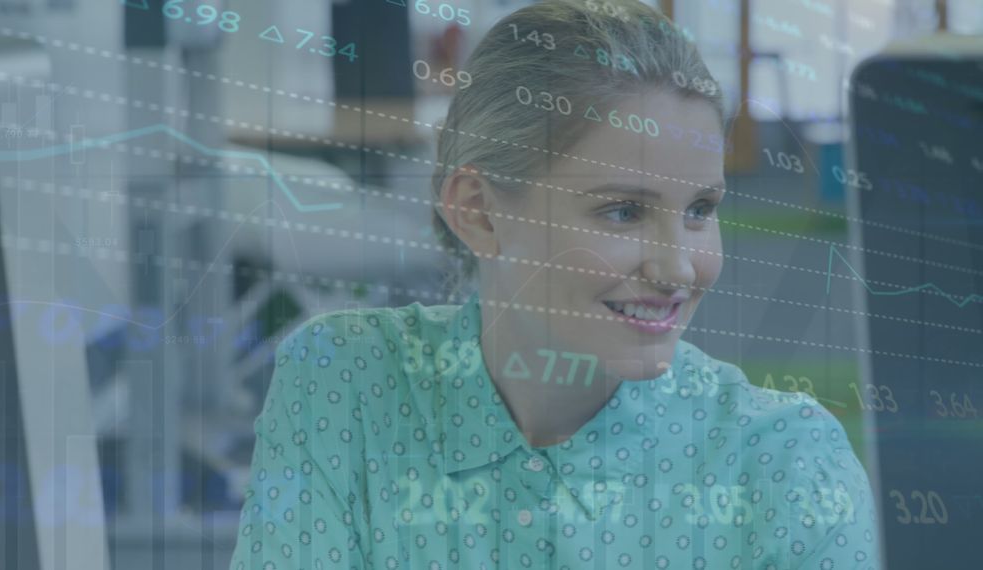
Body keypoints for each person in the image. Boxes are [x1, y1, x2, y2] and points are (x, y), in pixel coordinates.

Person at [229, 0, 880, 568]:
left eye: (700, 210)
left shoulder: (785, 464)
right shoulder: (345, 383)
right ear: (479, 213)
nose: (678, 268)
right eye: (622, 211)